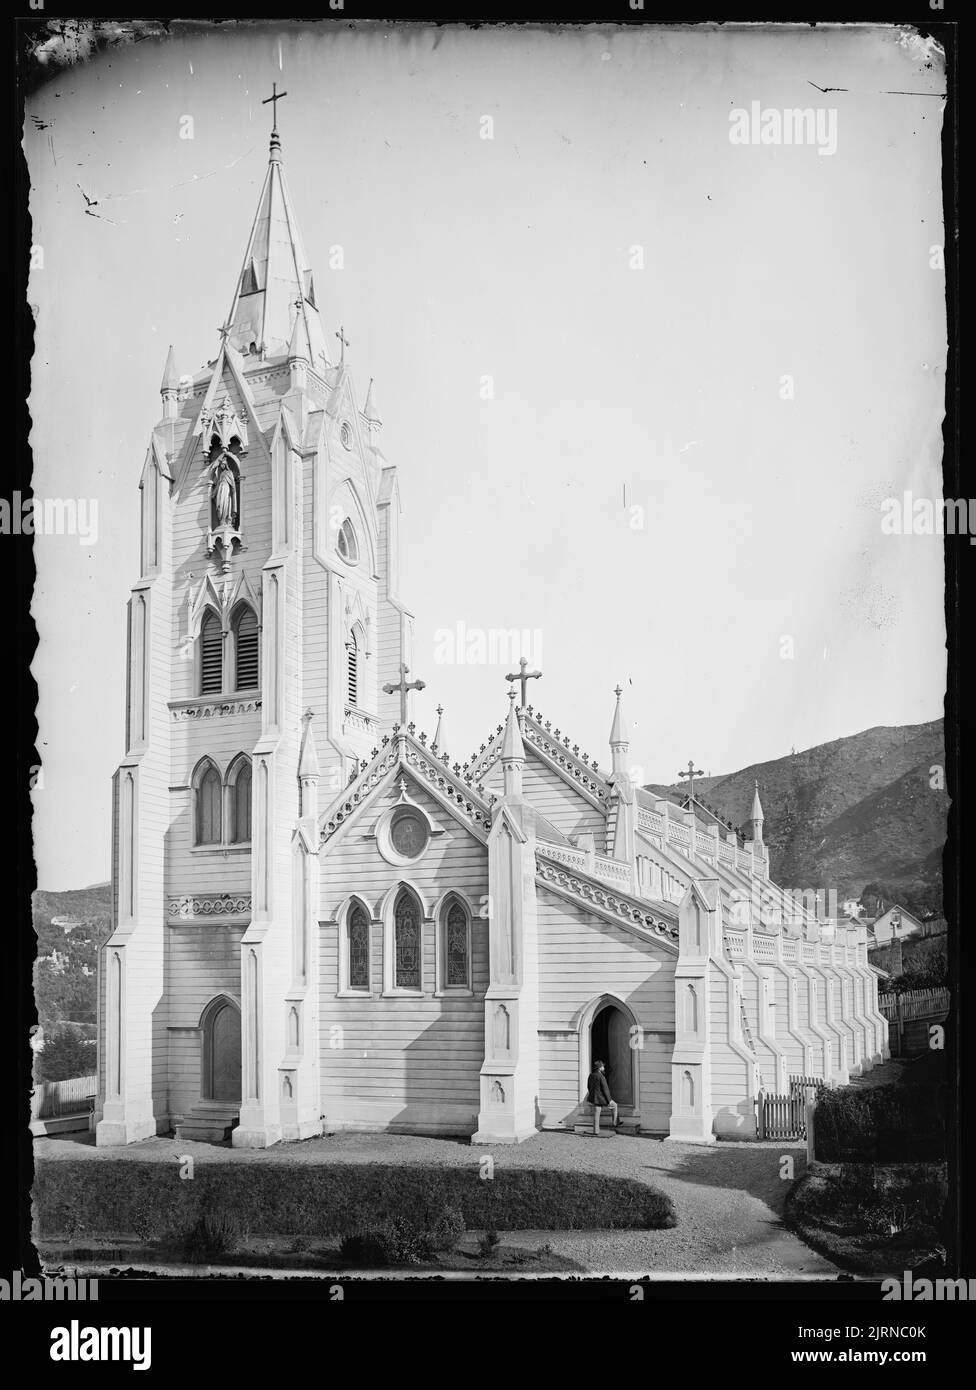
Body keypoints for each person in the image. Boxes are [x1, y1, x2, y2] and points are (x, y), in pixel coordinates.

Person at [585, 1059, 618, 1135]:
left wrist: (592, 1095)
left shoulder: (591, 1075)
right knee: (615, 1105)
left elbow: (588, 1087)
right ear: (600, 1068)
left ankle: (595, 1131)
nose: (604, 1067)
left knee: (596, 1114)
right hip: (602, 1098)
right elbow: (605, 1089)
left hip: (594, 1098)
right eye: (603, 1066)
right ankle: (615, 1123)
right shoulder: (601, 1076)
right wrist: (609, 1100)